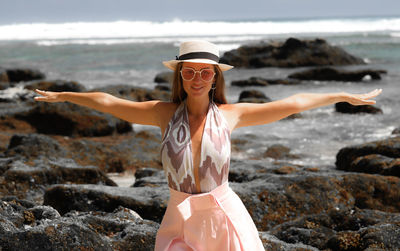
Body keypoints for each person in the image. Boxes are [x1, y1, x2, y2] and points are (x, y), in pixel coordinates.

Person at [34, 40, 382, 250]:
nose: (197, 78)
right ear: (180, 75)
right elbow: (107, 102)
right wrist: (63, 95)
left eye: (205, 72)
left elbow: (293, 102)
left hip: (224, 216)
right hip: (179, 217)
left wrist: (342, 95)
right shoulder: (162, 114)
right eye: (190, 71)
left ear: (216, 76)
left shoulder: (233, 115)